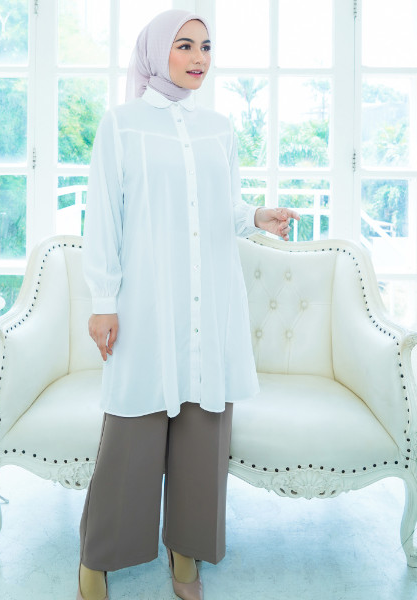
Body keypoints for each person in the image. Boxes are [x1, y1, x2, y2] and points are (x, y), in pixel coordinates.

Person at [77, 9, 299, 600]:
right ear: (157, 52)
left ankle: (186, 549)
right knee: (131, 434)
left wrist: (256, 216)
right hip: (147, 304)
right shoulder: (121, 125)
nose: (200, 57)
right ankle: (97, 557)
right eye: (185, 45)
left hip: (210, 303)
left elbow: (222, 208)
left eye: (206, 46)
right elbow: (103, 219)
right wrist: (103, 301)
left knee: (204, 439)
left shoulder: (219, 129)